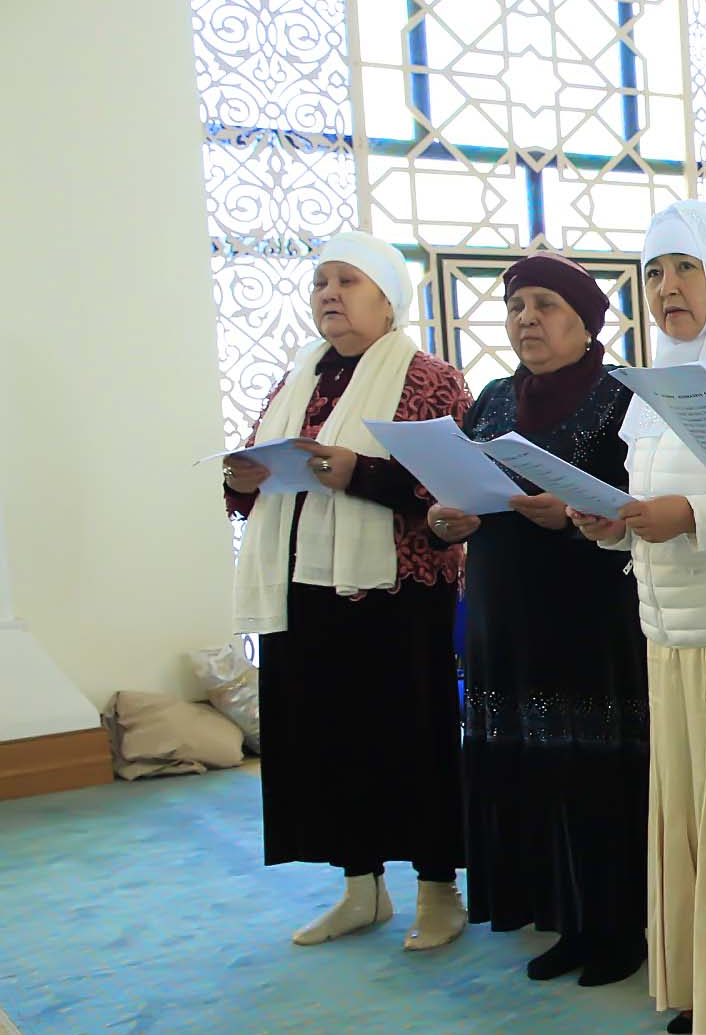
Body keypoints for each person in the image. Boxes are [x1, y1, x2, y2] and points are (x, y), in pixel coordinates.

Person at [571, 201, 706, 1035]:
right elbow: (648, 493)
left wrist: (687, 518)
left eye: (685, 269)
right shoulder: (665, 377)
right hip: (667, 629)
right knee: (692, 812)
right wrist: (615, 523)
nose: (667, 288)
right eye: (655, 272)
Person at [228, 232, 475, 951]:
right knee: (328, 739)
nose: (329, 294)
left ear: (388, 300)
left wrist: (358, 473)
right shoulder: (300, 378)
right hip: (305, 588)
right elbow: (261, 480)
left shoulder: (429, 378)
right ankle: (360, 889)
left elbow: (453, 486)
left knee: (412, 739)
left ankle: (438, 891)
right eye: (320, 283)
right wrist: (240, 480)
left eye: (347, 281)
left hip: (400, 592)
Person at [430, 254, 650, 987]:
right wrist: (444, 520)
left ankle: (615, 926)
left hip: (587, 607)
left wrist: (574, 510)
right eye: (517, 305)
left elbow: (639, 496)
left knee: (592, 769)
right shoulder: (493, 398)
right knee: (530, 765)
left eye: (547, 305)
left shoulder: (623, 396)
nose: (528, 319)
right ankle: (560, 916)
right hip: (503, 606)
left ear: (587, 324)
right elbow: (458, 488)